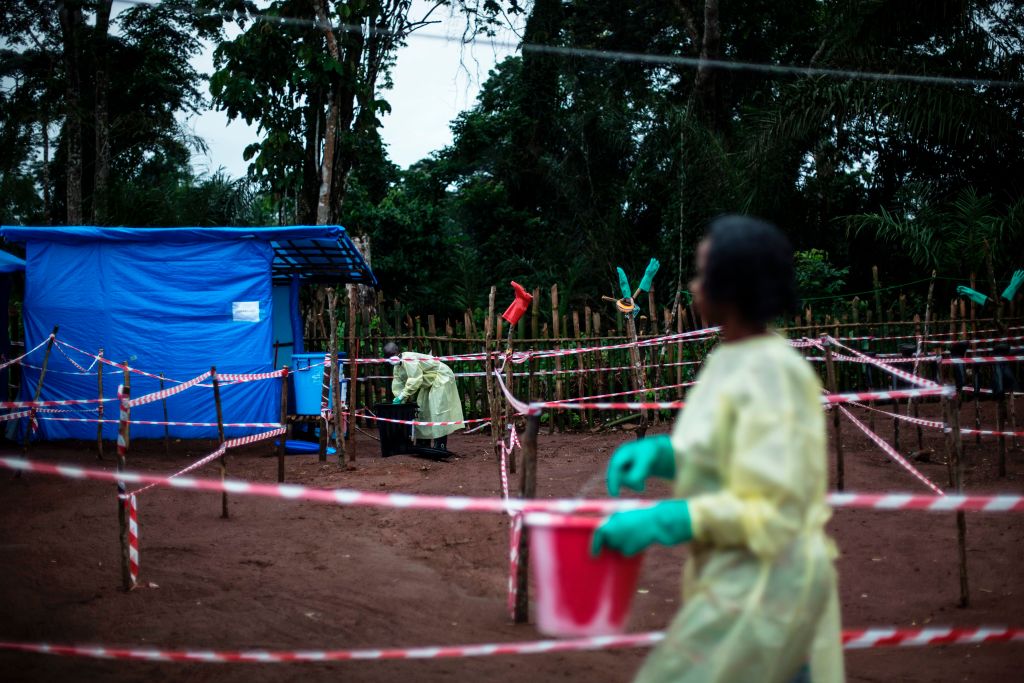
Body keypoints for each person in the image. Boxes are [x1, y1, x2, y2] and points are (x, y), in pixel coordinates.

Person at [590, 215, 844, 683]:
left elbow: (777, 508)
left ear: (732, 285)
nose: (693, 286)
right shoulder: (727, 358)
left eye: (703, 274)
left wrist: (669, 519)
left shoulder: (775, 373)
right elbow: (723, 451)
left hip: (774, 590)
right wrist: (666, 455)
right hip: (733, 581)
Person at [383, 342, 465, 450]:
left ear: (398, 352)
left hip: (441, 377)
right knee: (422, 410)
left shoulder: (409, 359)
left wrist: (402, 396)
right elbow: (398, 383)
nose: (392, 358)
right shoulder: (398, 367)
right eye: (389, 356)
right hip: (428, 382)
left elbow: (415, 379)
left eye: (393, 354)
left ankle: (440, 445)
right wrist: (399, 398)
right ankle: (423, 442)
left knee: (438, 410)